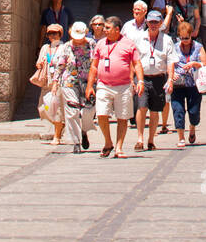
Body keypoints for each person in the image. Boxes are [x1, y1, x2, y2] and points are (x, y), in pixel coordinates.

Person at [85, 16, 145, 157]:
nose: (104, 30)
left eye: (107, 28)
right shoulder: (100, 44)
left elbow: (137, 63)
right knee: (101, 114)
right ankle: (108, 142)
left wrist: (140, 81)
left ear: (117, 30)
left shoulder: (128, 44)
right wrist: (89, 86)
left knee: (122, 117)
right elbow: (94, 66)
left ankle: (118, 147)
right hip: (103, 85)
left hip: (123, 86)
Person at [140, 10, 176, 149]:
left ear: (161, 23)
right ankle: (139, 138)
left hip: (159, 78)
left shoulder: (167, 40)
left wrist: (170, 80)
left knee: (155, 111)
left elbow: (170, 61)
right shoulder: (140, 38)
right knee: (142, 107)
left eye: (156, 22)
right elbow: (135, 60)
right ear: (147, 22)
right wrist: (133, 79)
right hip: (143, 78)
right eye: (151, 22)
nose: (153, 25)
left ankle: (150, 140)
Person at [171, 20, 206, 147]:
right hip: (178, 84)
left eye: (187, 38)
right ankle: (181, 137)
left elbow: (205, 64)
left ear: (191, 34)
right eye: (182, 38)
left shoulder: (198, 47)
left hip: (194, 84)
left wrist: (194, 64)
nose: (184, 40)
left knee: (193, 111)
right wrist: (172, 74)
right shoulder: (174, 47)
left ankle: (192, 127)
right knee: (178, 110)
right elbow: (169, 63)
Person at [59, 21, 95, 152]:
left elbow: (97, 62)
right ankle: (76, 141)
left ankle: (84, 130)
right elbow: (60, 65)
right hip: (70, 82)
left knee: (89, 110)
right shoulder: (66, 47)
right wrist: (54, 83)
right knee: (72, 110)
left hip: (88, 82)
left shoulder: (92, 44)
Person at [34, 23, 68, 145]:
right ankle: (59, 125)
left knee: (57, 109)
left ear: (60, 34)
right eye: (50, 33)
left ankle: (57, 136)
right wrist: (40, 64)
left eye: (55, 33)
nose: (52, 36)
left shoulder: (64, 48)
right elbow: (38, 63)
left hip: (58, 82)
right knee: (43, 108)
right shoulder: (45, 48)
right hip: (46, 81)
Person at [122, 1, 150, 141]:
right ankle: (133, 113)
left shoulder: (149, 25)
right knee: (130, 87)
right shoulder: (127, 26)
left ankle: (138, 112)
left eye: (139, 9)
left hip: (144, 61)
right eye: (134, 9)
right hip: (128, 62)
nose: (136, 11)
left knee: (140, 88)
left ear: (145, 11)